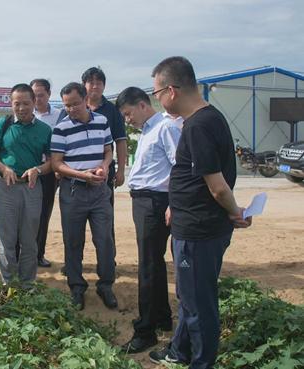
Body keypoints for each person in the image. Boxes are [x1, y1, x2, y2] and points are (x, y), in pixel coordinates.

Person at [148, 56, 252, 369]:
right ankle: (180, 351)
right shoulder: (209, 118)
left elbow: (218, 186)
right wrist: (175, 206)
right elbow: (195, 178)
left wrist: (235, 213)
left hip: (199, 230)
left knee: (197, 303)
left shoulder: (199, 126)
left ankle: (202, 362)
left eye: (157, 93)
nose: (158, 100)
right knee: (190, 294)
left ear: (171, 90)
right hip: (192, 223)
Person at [115, 87, 182, 353]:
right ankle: (162, 318)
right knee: (153, 262)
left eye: (128, 113)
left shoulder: (165, 128)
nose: (127, 119)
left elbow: (181, 166)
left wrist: (174, 203)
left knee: (147, 266)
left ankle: (145, 331)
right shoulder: (147, 130)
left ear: (143, 105)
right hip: (145, 201)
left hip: (155, 202)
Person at [51, 82, 117, 311]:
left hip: (99, 191)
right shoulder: (61, 128)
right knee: (73, 242)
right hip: (73, 191)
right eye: (66, 106)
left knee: (105, 239)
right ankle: (77, 287)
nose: (71, 110)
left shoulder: (102, 121)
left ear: (86, 99)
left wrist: (106, 166)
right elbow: (57, 164)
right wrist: (82, 175)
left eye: (75, 104)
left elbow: (108, 150)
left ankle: (106, 285)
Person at [0, 83, 52, 287]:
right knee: (7, 239)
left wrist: (38, 170)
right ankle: (9, 284)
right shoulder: (3, 124)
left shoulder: (45, 129)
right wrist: (4, 169)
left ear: (34, 102)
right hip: (5, 188)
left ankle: (27, 284)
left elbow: (52, 162)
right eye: (17, 103)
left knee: (30, 240)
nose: (21, 108)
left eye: (26, 103)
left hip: (32, 188)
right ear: (11, 103)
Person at [30, 78, 62, 268]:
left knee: (43, 214)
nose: (37, 99)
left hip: (48, 171)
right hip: (27, 172)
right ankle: (23, 254)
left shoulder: (60, 116)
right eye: (34, 95)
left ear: (49, 94)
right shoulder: (25, 114)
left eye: (41, 95)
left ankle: (38, 254)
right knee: (25, 214)